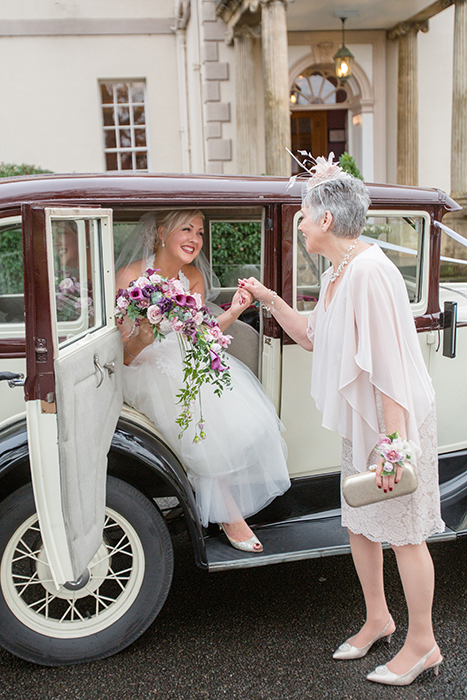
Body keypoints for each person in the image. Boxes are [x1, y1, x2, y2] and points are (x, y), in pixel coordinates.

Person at [239, 155, 445, 686]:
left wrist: (396, 447)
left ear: (326, 220)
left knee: (405, 532)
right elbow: (313, 335)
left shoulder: (371, 272)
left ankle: (424, 644)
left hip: (392, 423)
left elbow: (391, 369)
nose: (301, 224)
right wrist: (268, 299)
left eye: (304, 215)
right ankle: (379, 618)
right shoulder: (337, 271)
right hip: (367, 422)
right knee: (359, 520)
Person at [115, 209, 290, 553]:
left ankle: (220, 505)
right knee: (191, 408)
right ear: (162, 232)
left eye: (199, 232)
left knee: (223, 407)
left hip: (188, 357)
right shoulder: (131, 274)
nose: (195, 239)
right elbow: (123, 352)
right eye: (186, 229)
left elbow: (201, 335)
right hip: (142, 365)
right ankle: (228, 514)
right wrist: (144, 338)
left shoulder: (192, 276)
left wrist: (236, 311)